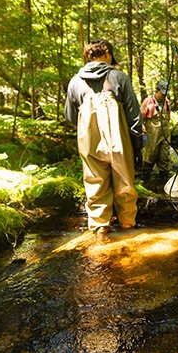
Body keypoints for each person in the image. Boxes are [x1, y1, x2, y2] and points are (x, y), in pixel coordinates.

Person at [64, 39, 143, 239]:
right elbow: (134, 116)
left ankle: (100, 234)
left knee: (95, 184)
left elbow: (70, 117)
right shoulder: (118, 77)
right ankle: (128, 231)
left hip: (89, 140)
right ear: (107, 54)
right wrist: (137, 146)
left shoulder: (75, 82)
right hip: (119, 140)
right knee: (125, 184)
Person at [139, 80, 172, 181]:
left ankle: (163, 179)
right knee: (150, 153)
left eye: (166, 93)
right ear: (157, 90)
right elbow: (141, 116)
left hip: (165, 133)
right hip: (152, 133)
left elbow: (168, 117)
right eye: (162, 92)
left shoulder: (167, 102)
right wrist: (141, 127)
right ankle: (146, 177)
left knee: (164, 154)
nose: (164, 95)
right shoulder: (148, 101)